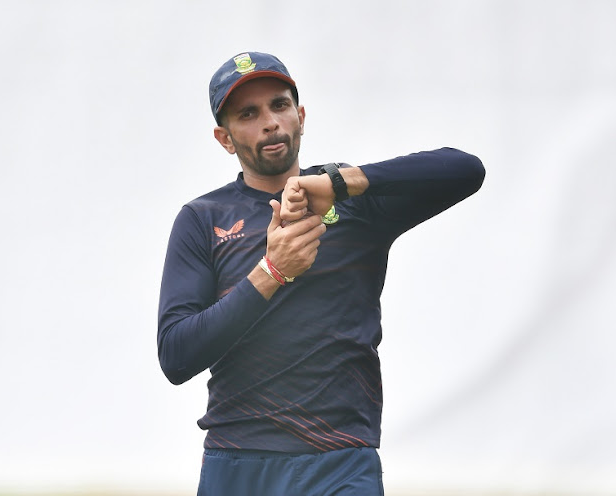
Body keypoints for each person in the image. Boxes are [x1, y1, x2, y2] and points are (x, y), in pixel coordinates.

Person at [157, 52, 485, 495]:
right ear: (225, 138)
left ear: (301, 115)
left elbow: (465, 170)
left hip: (341, 462)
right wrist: (271, 272)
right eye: (248, 114)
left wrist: (340, 182)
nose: (270, 122)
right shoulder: (202, 218)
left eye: (279, 105)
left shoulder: (353, 202)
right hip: (238, 462)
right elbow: (177, 356)